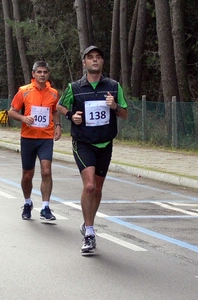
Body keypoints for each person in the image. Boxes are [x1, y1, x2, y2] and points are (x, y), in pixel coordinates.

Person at [57, 45, 128, 253]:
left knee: (97, 189)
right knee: (89, 186)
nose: (94, 60)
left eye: (98, 57)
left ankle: (88, 222)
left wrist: (114, 106)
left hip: (105, 143)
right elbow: (60, 106)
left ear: (102, 62)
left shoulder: (113, 86)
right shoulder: (75, 87)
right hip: (83, 142)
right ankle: (89, 232)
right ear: (84, 63)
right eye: (90, 58)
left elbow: (124, 114)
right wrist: (72, 116)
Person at [8, 61, 61, 221]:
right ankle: (27, 202)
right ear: (33, 74)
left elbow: (55, 111)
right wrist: (24, 118)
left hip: (45, 138)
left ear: (48, 74)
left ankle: (45, 207)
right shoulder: (24, 91)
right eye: (39, 72)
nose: (42, 75)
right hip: (28, 138)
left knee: (46, 171)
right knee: (27, 175)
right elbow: (11, 112)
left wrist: (58, 125)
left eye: (45, 72)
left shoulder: (53, 93)